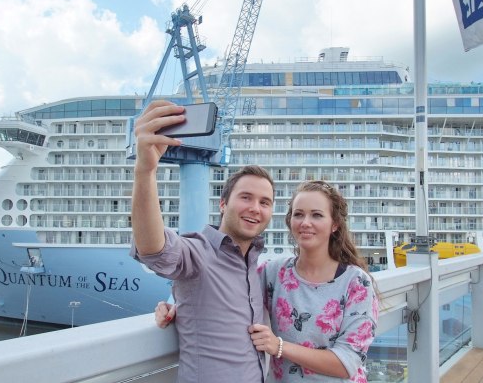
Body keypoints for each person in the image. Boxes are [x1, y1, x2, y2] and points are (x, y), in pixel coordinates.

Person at [157, 180, 379, 382]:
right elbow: (232, 294)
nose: (305, 222)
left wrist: (279, 346)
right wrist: (180, 306)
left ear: (335, 225)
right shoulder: (274, 272)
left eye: (317, 215)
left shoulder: (356, 283)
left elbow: (347, 362)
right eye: (299, 214)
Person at [130, 99, 274, 383]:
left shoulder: (255, 267)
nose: (255, 208)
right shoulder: (197, 253)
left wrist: (179, 308)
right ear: (222, 204)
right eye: (245, 197)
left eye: (265, 202)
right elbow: (154, 249)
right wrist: (145, 170)